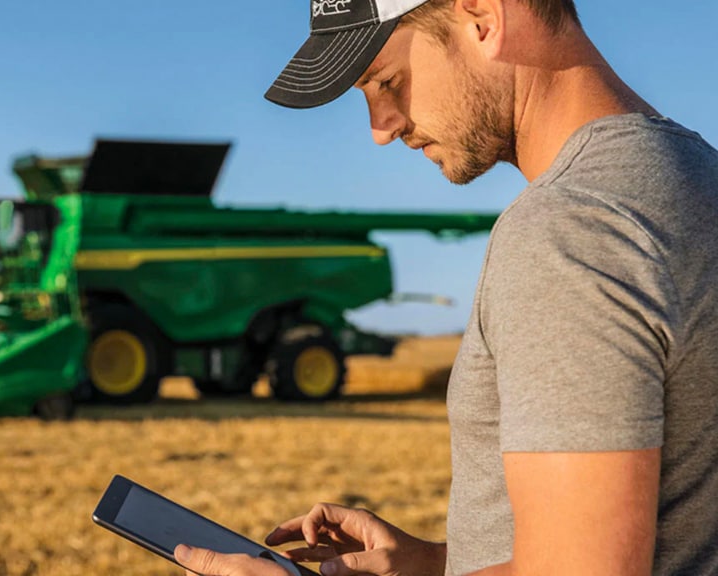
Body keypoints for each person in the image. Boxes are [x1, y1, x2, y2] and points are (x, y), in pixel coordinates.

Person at [174, 0, 718, 574]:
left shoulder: (567, 230)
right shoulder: (693, 177)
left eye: (387, 81)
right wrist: (435, 564)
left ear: (483, 18)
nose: (382, 128)